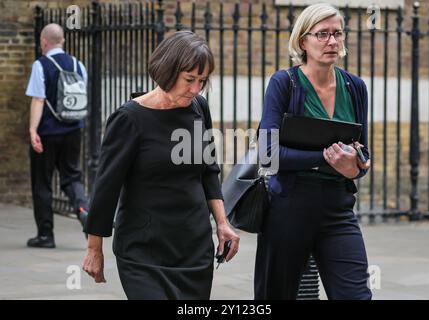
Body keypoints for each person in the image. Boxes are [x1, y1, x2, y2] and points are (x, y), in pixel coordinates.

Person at [82, 31, 240, 300]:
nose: (195, 89)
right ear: (167, 71)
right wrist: (94, 248)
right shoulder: (129, 119)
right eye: (189, 79)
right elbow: (106, 187)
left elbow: (209, 170)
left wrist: (222, 223)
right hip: (143, 250)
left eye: (201, 81)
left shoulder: (198, 108)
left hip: (193, 248)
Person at [254, 3, 372, 300]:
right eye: (322, 34)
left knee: (355, 295)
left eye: (337, 33)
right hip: (289, 207)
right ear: (303, 41)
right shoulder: (285, 83)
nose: (332, 42)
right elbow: (268, 152)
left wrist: (358, 165)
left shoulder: (355, 86)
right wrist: (327, 158)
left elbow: (364, 152)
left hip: (338, 209)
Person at [25, 23, 89, 248]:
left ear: (44, 42)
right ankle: (84, 211)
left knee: (42, 183)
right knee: (72, 177)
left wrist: (33, 130)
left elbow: (38, 99)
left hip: (47, 133)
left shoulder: (41, 65)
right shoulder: (78, 65)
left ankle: (45, 236)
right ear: (62, 41)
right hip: (73, 130)